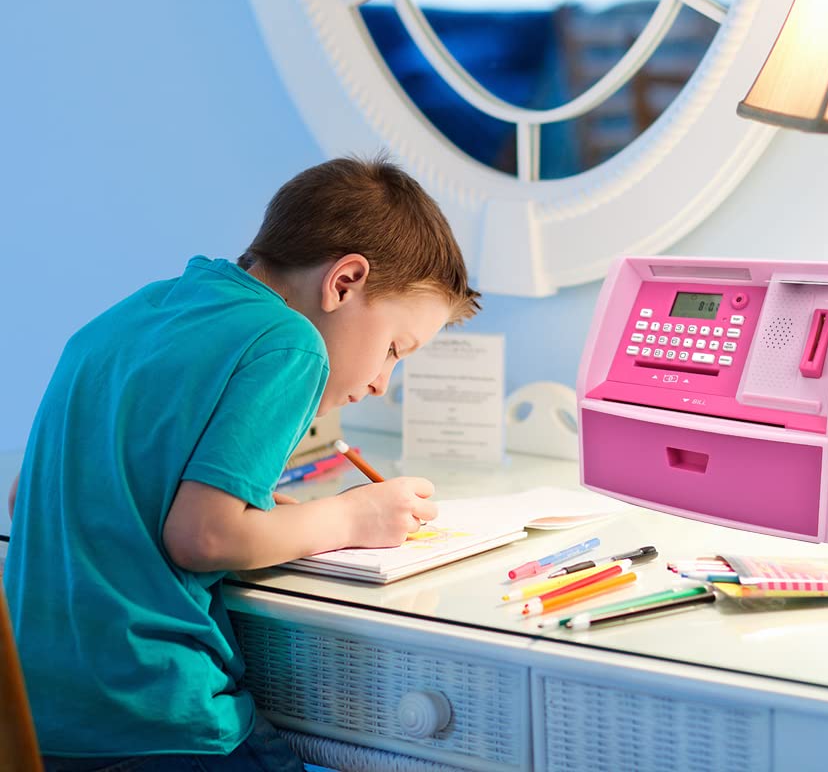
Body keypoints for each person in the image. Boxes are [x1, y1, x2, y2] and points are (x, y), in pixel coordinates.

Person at [4, 155, 481, 771]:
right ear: (344, 282)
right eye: (393, 348)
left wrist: (252, 512)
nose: (382, 382)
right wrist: (354, 517)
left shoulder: (136, 314)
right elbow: (202, 537)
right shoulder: (291, 343)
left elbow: (27, 495)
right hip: (154, 715)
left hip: (36, 713)